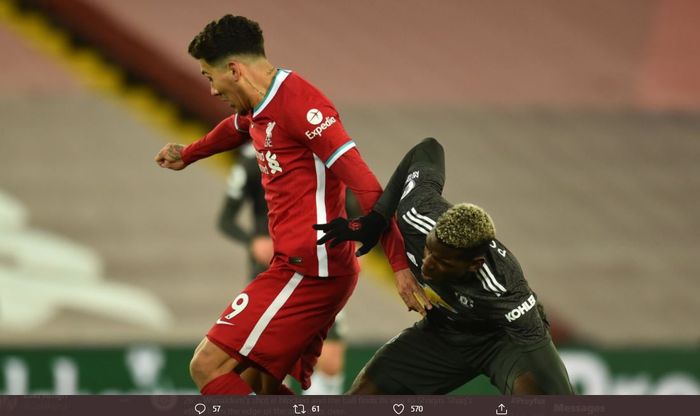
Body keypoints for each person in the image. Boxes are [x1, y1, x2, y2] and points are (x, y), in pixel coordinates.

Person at [154, 15, 419, 395]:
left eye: (209, 77)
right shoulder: (259, 105)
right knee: (256, 384)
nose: (211, 91)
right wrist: (191, 153)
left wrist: (399, 265)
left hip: (313, 272)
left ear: (234, 69)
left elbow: (369, 188)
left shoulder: (304, 109)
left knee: (208, 366)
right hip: (294, 266)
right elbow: (237, 126)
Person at [315, 138, 574, 395]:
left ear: (474, 264)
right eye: (428, 250)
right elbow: (429, 147)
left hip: (502, 340)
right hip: (447, 331)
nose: (428, 265)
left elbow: (535, 344)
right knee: (364, 395)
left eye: (443, 262)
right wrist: (379, 216)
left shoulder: (505, 289)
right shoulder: (416, 212)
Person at [217, 143, 347, 394]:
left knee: (330, 360)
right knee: (271, 362)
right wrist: (252, 241)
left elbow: (351, 208)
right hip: (273, 271)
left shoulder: (322, 155)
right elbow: (225, 219)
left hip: (320, 269)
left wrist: (355, 241)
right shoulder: (252, 160)